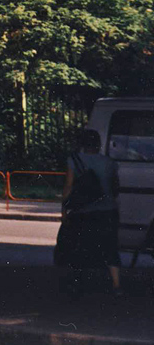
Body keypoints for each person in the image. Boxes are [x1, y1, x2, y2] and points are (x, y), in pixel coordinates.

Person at [58, 127, 122, 297]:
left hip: (83, 212)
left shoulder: (74, 160)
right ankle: (116, 285)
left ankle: (78, 284)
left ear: (82, 144)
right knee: (110, 248)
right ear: (98, 144)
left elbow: (69, 186)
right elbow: (116, 188)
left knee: (79, 248)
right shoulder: (110, 163)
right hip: (108, 211)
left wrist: (64, 209)